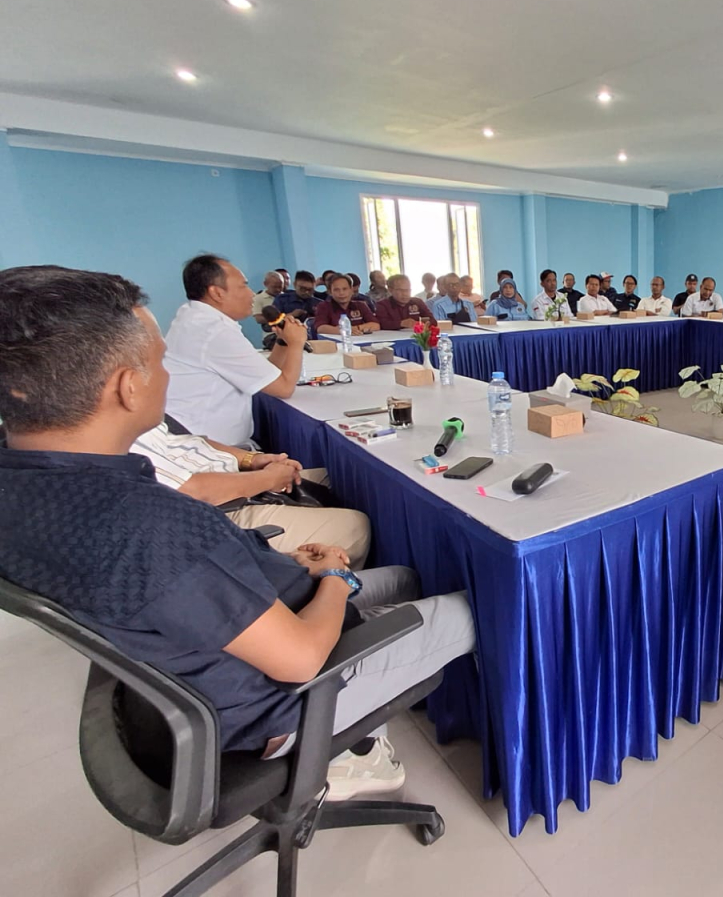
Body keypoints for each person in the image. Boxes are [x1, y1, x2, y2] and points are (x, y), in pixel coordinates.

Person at [0, 265, 476, 798]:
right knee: (478, 610)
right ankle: (355, 749)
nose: (168, 377)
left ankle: (378, 711)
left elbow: (192, 584)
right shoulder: (148, 525)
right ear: (129, 388)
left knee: (407, 578)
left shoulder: (23, 487)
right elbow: (299, 659)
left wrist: (298, 567)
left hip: (225, 640)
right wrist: (337, 578)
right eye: (160, 364)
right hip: (276, 701)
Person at [130, 423, 371, 568]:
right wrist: (268, 479)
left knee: (343, 478)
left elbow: (192, 443)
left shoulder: (135, 415)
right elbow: (194, 492)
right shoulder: (118, 439)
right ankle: (334, 600)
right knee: (354, 526)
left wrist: (252, 460)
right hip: (221, 510)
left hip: (233, 477)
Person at [163, 254, 305, 446]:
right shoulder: (214, 330)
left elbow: (265, 377)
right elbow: (284, 388)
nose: (252, 294)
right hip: (206, 451)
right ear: (217, 293)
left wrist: (283, 342)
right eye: (243, 286)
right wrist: (297, 344)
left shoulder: (193, 316)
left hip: (196, 441)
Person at [314, 274, 380, 335]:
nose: (341, 293)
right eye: (336, 290)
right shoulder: (323, 306)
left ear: (351, 290)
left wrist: (356, 328)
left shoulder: (361, 305)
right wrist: (343, 331)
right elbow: (320, 328)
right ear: (330, 292)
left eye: (345, 289)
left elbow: (376, 325)